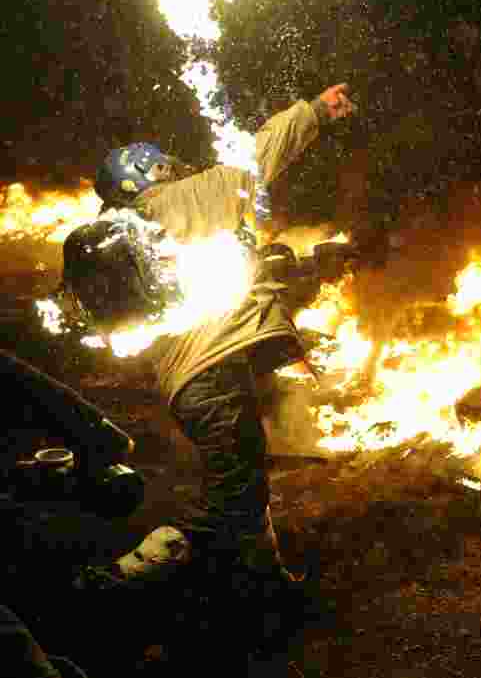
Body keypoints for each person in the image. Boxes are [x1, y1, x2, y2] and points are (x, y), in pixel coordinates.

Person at [74, 84, 356, 592]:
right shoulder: (174, 204)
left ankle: (269, 584)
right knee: (233, 496)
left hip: (193, 378)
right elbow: (256, 159)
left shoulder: (131, 232)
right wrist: (312, 112)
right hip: (212, 374)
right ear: (146, 174)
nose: (172, 167)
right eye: (160, 164)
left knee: (244, 481)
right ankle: (120, 581)